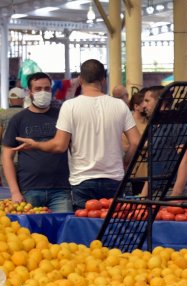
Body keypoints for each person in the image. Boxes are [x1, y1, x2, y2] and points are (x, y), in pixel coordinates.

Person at [12, 60, 140, 210]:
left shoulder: (70, 106)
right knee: (112, 229)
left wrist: (36, 144)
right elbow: (136, 142)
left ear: (80, 79)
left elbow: (60, 146)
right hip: (114, 179)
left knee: (84, 227)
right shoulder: (120, 105)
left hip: (82, 181)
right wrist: (124, 162)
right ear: (103, 80)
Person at [1, 73, 71, 212]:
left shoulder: (62, 116)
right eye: (38, 89)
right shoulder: (18, 119)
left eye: (46, 88)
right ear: (29, 92)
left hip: (61, 190)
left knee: (64, 230)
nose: (43, 93)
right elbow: (7, 157)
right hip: (29, 189)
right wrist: (15, 192)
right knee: (30, 233)